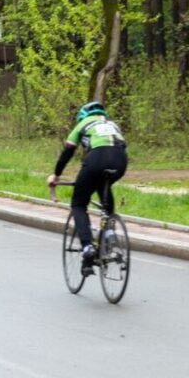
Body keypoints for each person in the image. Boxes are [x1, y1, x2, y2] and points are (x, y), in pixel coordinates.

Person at [47, 101, 128, 276]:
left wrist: (56, 174)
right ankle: (110, 233)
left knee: (78, 204)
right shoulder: (113, 124)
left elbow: (67, 152)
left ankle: (87, 247)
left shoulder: (82, 125)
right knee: (103, 185)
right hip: (120, 160)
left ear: (82, 116)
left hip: (96, 159)